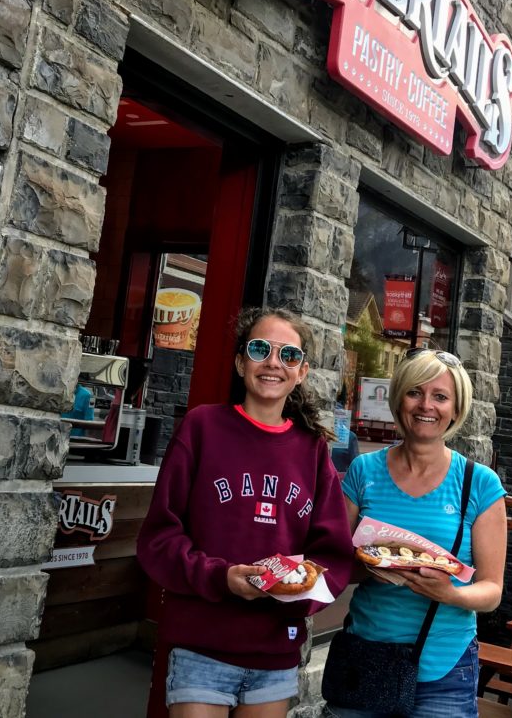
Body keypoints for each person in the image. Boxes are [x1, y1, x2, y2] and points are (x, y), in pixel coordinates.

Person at [137, 306, 354, 717]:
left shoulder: (312, 451)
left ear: (302, 372)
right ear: (241, 362)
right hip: (201, 642)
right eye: (260, 350)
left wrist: (294, 594)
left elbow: (332, 558)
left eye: (288, 355)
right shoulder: (202, 428)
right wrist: (221, 577)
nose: (274, 363)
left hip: (274, 651)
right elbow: (159, 538)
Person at [322, 349, 508, 718]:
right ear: (398, 399)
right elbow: (337, 565)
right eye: (415, 392)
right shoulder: (363, 471)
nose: (426, 405)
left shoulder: (479, 484)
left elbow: (492, 592)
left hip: (445, 667)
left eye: (440, 396)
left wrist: (449, 593)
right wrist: (369, 566)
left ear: (456, 409)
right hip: (366, 655)